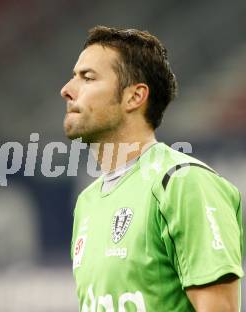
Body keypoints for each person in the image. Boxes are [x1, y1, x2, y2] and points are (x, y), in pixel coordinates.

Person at [61, 25, 243, 311]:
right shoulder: (87, 202)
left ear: (135, 97)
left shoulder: (182, 183)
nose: (67, 90)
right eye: (74, 77)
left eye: (87, 77)